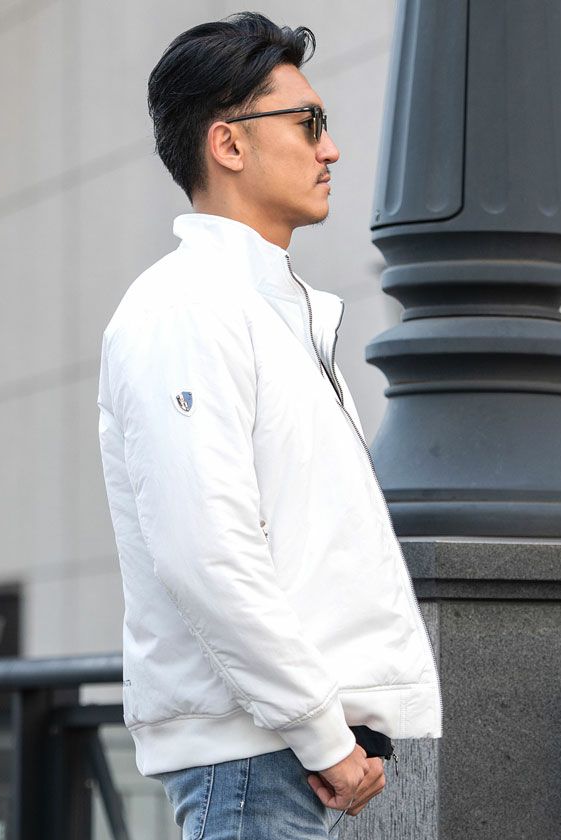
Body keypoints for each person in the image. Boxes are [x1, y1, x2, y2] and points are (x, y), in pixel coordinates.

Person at [96, 12, 442, 839]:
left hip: (284, 758)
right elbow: (206, 551)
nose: (332, 150)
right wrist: (323, 735)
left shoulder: (266, 311)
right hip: (258, 764)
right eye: (309, 122)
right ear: (228, 143)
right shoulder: (187, 309)